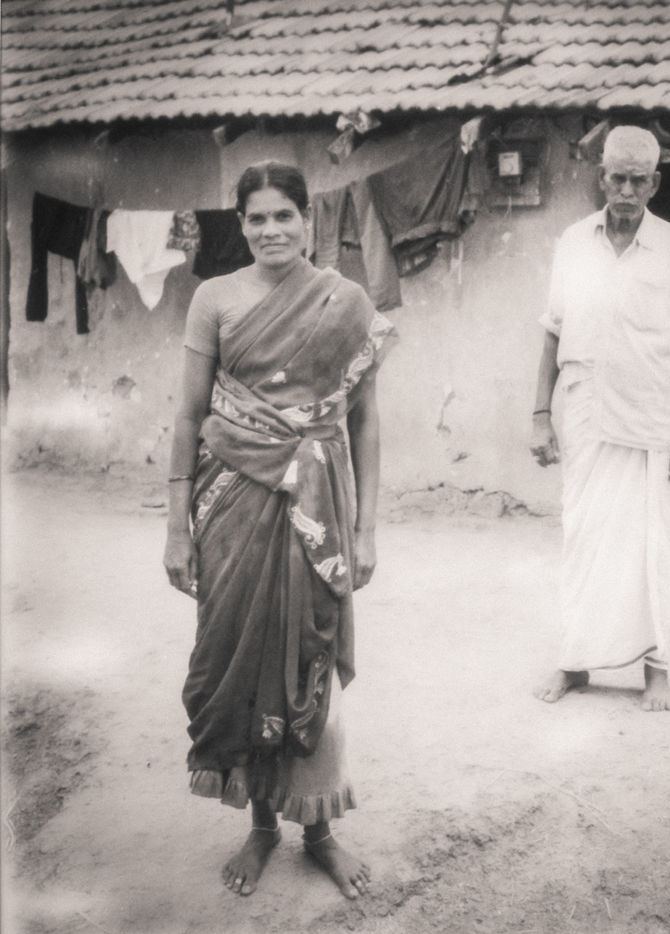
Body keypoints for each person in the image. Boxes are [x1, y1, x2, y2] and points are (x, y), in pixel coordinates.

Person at [163, 161, 396, 898]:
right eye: (257, 218)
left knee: (309, 657)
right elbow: (187, 416)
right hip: (229, 503)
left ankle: (320, 831)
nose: (271, 230)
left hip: (316, 506)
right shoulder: (214, 298)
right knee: (238, 657)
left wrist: (366, 528)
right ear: (240, 225)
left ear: (308, 220)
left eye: (283, 215)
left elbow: (364, 420)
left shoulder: (345, 300)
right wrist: (176, 527)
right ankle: (262, 826)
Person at [530, 126, 670, 711]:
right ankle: (573, 661)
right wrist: (540, 415)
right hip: (584, 412)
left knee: (649, 547)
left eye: (639, 180)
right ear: (601, 178)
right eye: (618, 178)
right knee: (581, 537)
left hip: (650, 414)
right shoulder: (573, 242)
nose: (627, 190)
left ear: (655, 184)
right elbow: (553, 331)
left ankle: (656, 667)